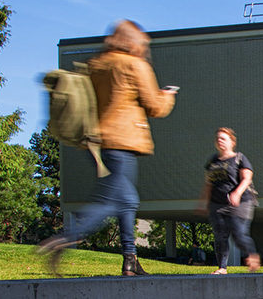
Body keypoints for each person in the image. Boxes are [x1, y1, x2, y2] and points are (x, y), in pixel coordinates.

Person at [34, 19, 176, 277]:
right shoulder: (134, 64)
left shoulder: (96, 64)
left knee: (126, 203)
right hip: (123, 142)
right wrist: (167, 96)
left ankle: (130, 261)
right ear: (134, 42)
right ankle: (64, 239)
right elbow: (154, 106)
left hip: (98, 144)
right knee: (114, 200)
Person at [198, 127, 261, 274]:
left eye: (223, 138)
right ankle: (222, 267)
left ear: (232, 142)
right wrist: (202, 202)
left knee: (238, 234)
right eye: (217, 138)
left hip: (240, 203)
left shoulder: (239, 158)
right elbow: (208, 184)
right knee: (220, 236)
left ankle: (252, 255)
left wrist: (237, 193)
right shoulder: (212, 161)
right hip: (217, 203)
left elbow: (247, 178)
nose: (219, 140)